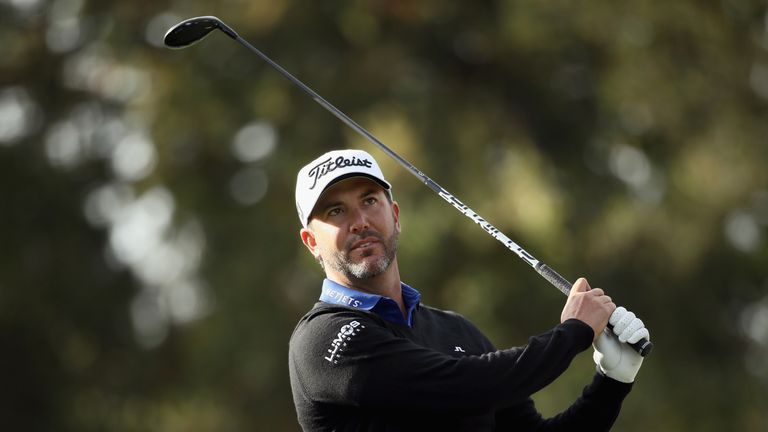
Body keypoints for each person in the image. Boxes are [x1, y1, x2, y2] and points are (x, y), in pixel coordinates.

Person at [288, 149, 650, 431]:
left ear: (395, 216)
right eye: (336, 211)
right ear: (311, 242)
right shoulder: (324, 339)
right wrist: (572, 333)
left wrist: (612, 382)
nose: (360, 222)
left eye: (369, 201)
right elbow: (461, 388)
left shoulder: (455, 330)